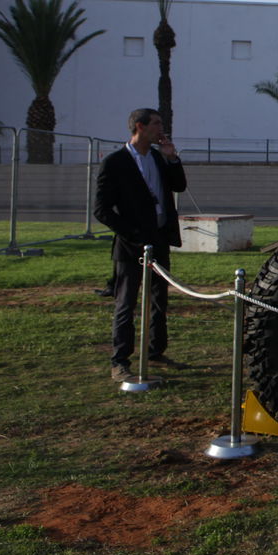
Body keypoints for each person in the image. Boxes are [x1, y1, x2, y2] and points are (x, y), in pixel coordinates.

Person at [93, 108, 188, 381]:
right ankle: (120, 360)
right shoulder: (115, 162)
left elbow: (179, 187)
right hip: (131, 244)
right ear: (139, 126)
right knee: (126, 302)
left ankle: (156, 351)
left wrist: (172, 158)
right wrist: (131, 234)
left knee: (160, 299)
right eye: (156, 123)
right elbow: (102, 209)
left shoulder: (158, 157)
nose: (161, 128)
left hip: (158, 239)